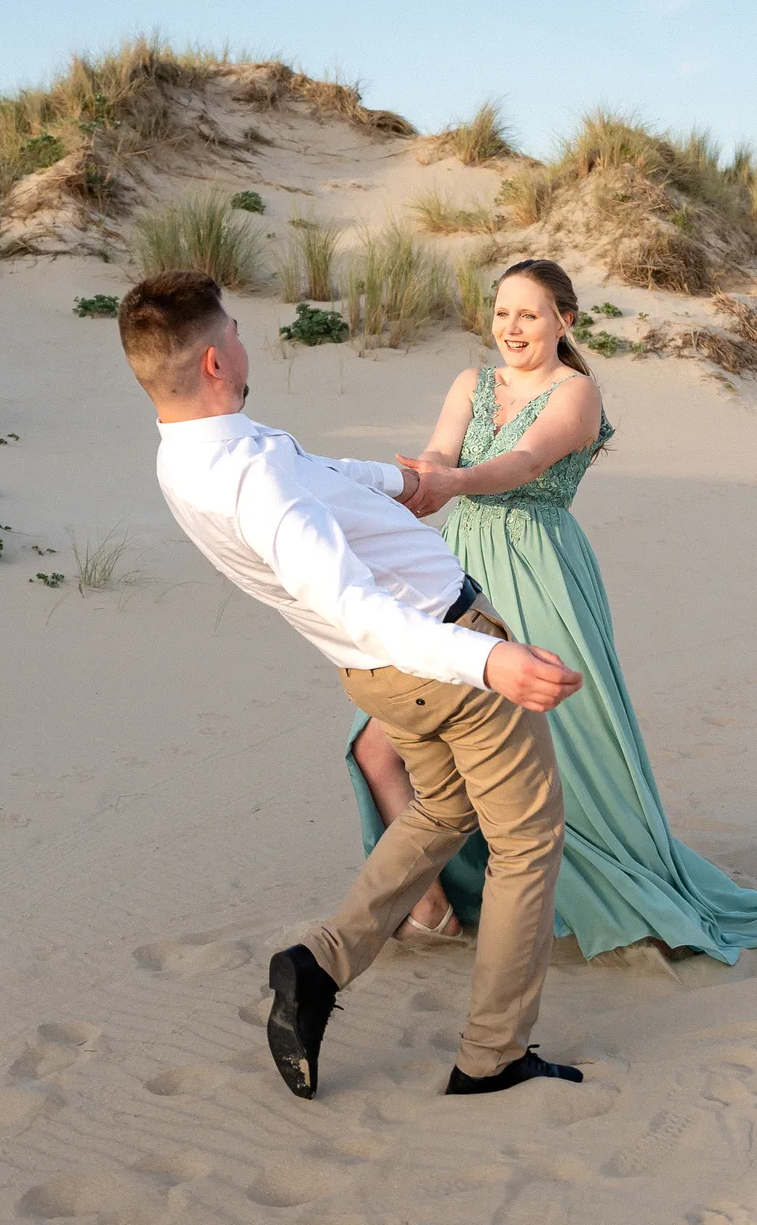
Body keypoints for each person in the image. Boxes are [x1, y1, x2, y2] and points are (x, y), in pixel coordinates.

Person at [121, 269, 586, 1100]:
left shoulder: (194, 453)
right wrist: (489, 661)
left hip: (378, 680)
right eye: (234, 329)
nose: (242, 339)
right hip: (438, 651)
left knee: (443, 810)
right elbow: (355, 603)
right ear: (217, 362)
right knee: (526, 842)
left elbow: (309, 468)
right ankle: (492, 1056)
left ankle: (319, 962)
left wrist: (395, 482)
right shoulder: (252, 483)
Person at [350, 259, 757, 962]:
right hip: (451, 568)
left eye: (528, 313)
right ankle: (430, 905)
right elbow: (439, 452)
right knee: (382, 742)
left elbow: (521, 465)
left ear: (563, 321)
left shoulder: (576, 393)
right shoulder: (471, 382)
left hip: (535, 568)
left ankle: (595, 892)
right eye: (501, 312)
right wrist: (421, 477)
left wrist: (450, 480)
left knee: (559, 747)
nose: (510, 327)